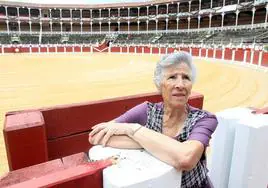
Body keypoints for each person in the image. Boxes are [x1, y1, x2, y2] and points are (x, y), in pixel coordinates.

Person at [89, 51, 218, 188]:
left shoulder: (204, 119)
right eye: (172, 77)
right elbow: (96, 136)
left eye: (186, 77)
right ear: (159, 85)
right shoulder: (146, 110)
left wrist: (133, 129)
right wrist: (150, 143)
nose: (180, 84)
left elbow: (186, 158)